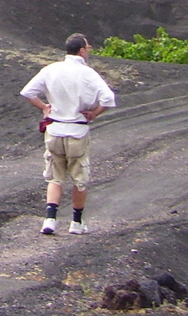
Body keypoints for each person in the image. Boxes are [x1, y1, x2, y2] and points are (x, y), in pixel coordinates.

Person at [20, 33, 115, 235]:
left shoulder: (51, 69)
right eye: (87, 47)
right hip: (77, 131)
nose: (89, 50)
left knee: (55, 177)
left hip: (54, 130)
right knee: (79, 179)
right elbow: (108, 99)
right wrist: (95, 114)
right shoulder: (88, 74)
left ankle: (50, 220)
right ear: (81, 50)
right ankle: (76, 222)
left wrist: (44, 107)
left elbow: (28, 92)